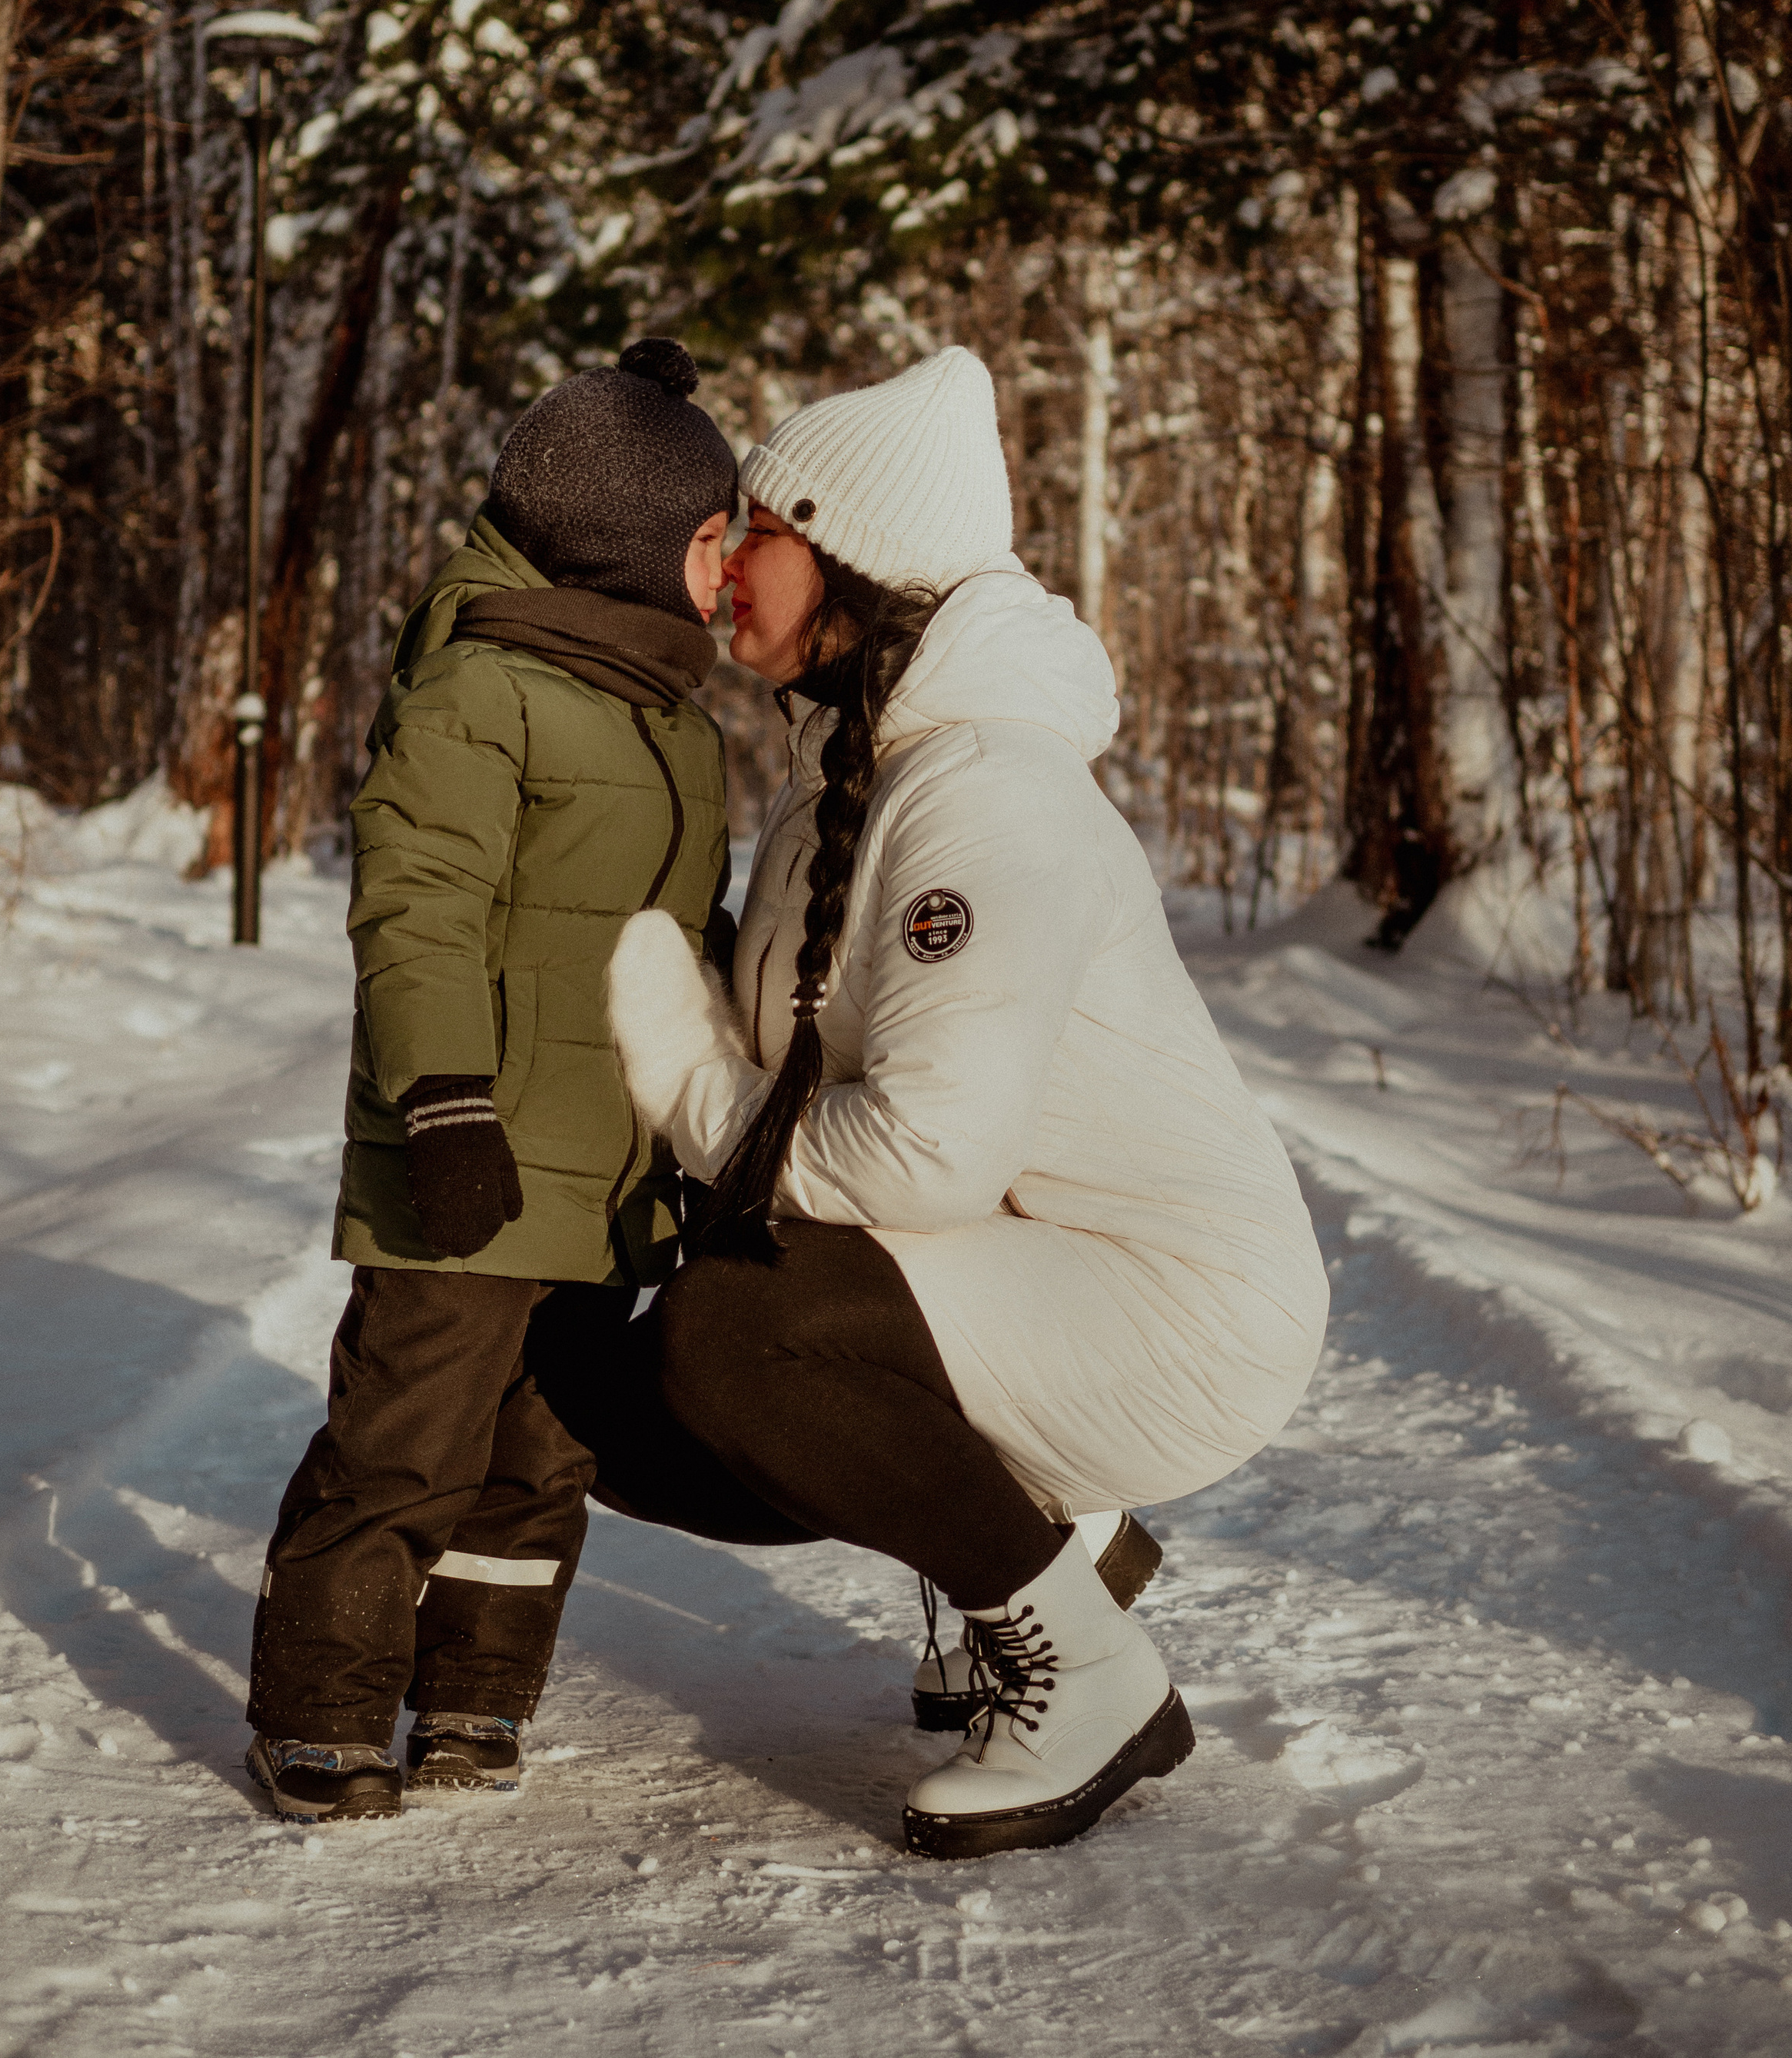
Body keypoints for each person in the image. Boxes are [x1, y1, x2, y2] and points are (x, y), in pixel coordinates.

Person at [531, 345, 1329, 1860]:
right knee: (632, 1418)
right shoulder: (855, 776)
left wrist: (682, 1065)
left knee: (735, 1338)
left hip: (1174, 1308)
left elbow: (923, 1156)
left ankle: (1086, 1676)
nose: (718, 563)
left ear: (851, 554)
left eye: (752, 528)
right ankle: (1064, 1546)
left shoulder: (979, 789)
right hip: (1041, 1271)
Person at [244, 338, 736, 1823]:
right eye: (714, 539)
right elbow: (420, 907)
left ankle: (473, 1688)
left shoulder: (676, 720)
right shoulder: (479, 688)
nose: (731, 570)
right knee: (403, 1446)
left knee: (539, 1463)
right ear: (630, 542)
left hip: (607, 1178)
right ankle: (321, 1707)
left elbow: (680, 942)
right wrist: (443, 1101)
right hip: (470, 1158)